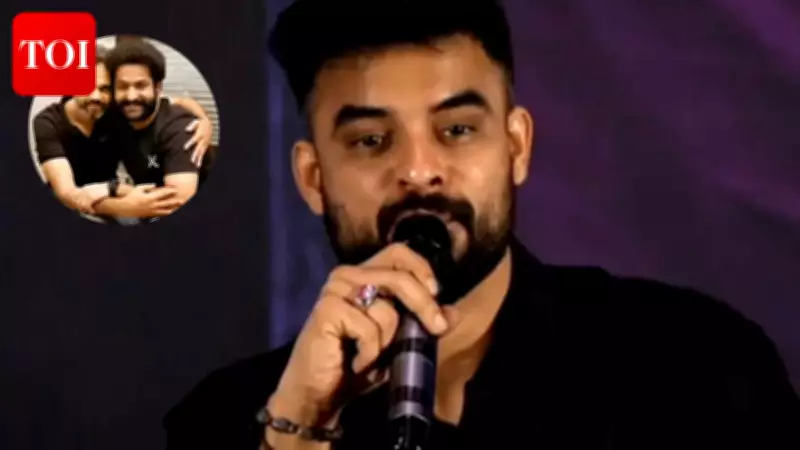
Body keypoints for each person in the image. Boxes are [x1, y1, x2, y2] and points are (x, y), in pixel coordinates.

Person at [164, 0, 800, 449]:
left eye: (457, 130)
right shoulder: (225, 420)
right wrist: (299, 429)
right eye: (370, 140)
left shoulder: (696, 368)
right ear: (313, 179)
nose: (419, 172)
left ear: (516, 147)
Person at [32, 45, 215, 220]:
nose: (95, 96)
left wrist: (205, 121)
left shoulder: (114, 107)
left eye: (104, 88)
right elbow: (68, 194)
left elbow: (175, 101)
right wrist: (127, 207)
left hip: (111, 194)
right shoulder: (48, 122)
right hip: (69, 205)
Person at [91, 39, 210, 220]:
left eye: (141, 86)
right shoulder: (115, 114)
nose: (131, 96)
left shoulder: (181, 130)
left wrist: (116, 203)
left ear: (158, 88)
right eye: (122, 86)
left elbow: (176, 203)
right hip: (142, 197)